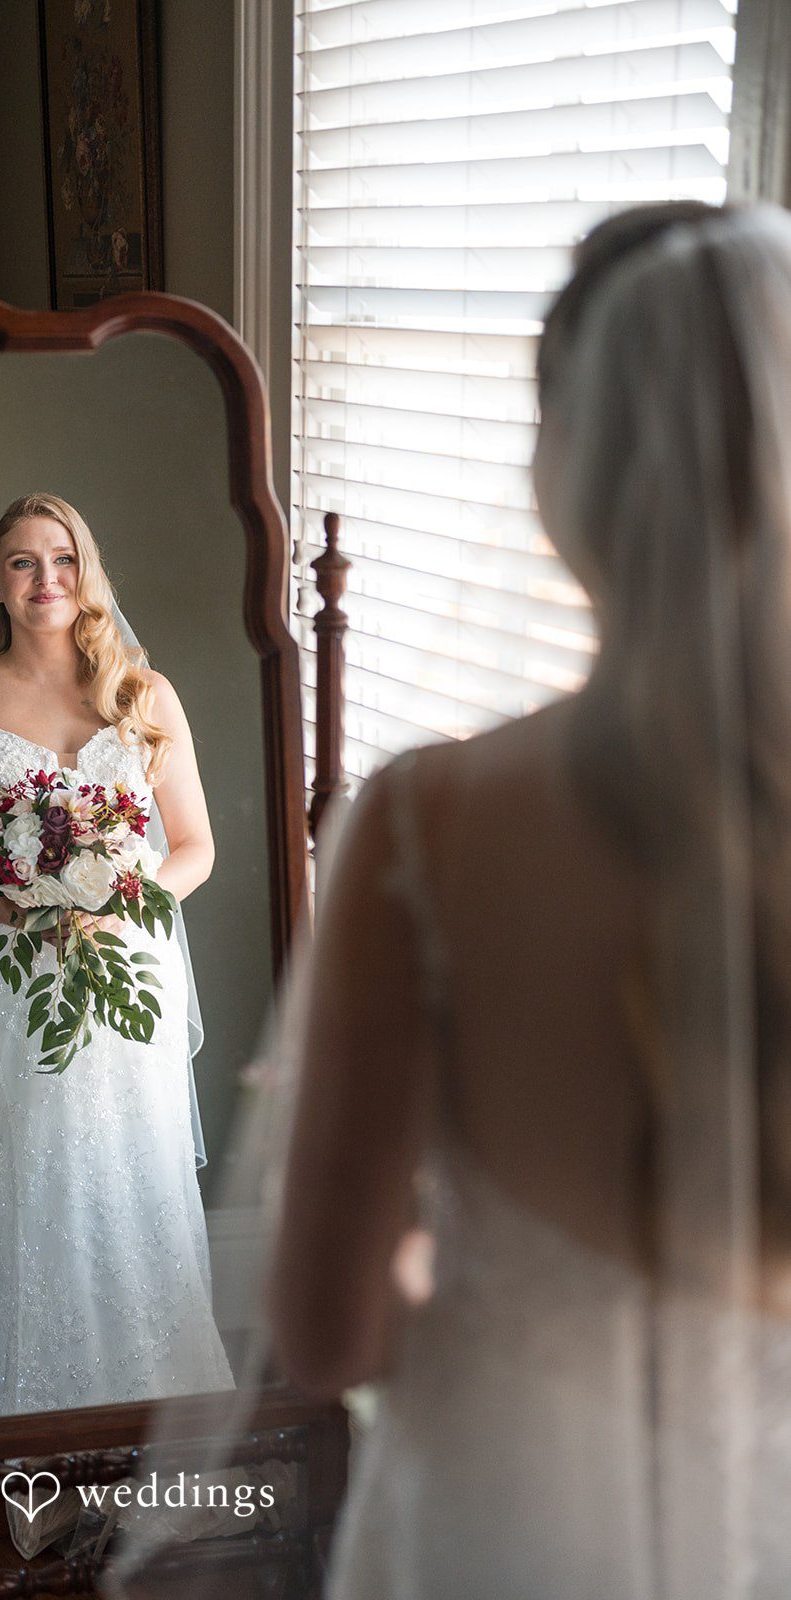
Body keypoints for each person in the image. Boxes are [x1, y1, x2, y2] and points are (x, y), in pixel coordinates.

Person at [265, 204, 791, 1598]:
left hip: (510, 1528)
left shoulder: (430, 823)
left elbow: (327, 1336)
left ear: (572, 465)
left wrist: (458, 1253)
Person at [0, 492, 234, 1424]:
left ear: (86, 574)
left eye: (62, 559)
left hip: (127, 967)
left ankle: (160, 1419)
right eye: (21, 562)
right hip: (13, 981)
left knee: (137, 1177)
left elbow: (194, 846)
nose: (45, 579)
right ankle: (36, 1425)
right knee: (42, 1185)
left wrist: (111, 906)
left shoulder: (142, 693)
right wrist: (33, 912)